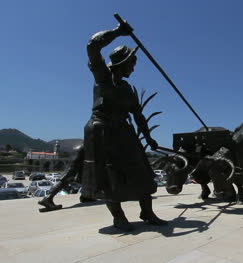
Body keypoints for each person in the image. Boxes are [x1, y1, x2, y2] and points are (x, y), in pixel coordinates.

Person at [81, 21, 167, 231]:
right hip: (101, 130)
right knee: (109, 174)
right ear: (124, 62)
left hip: (122, 130)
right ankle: (118, 217)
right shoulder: (103, 76)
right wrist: (118, 32)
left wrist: (148, 138)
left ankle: (147, 212)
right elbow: (92, 45)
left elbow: (138, 115)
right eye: (133, 63)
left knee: (141, 169)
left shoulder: (128, 89)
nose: (134, 68)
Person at [38, 145, 95, 212]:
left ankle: (86, 196)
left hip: (83, 148)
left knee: (83, 174)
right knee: (69, 175)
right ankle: (47, 198)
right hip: (87, 149)